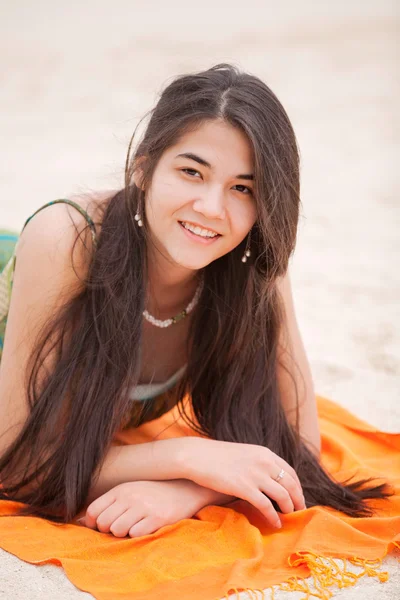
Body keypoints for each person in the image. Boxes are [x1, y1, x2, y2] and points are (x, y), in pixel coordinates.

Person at [0, 63, 392, 539]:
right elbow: (17, 463)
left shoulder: (255, 264)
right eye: (191, 172)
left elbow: (298, 445)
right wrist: (188, 456)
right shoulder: (66, 241)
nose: (211, 208)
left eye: (242, 188)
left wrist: (191, 490)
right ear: (143, 168)